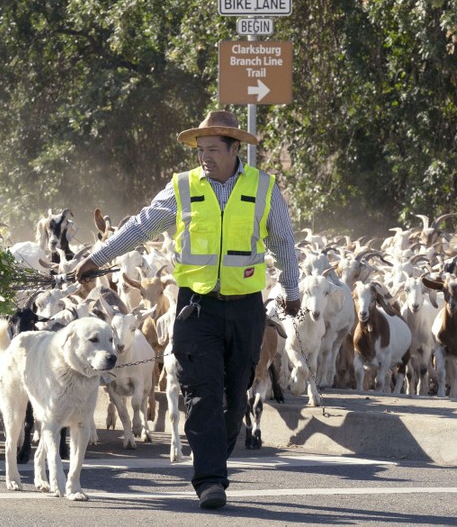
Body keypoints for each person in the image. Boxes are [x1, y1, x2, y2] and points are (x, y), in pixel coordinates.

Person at [73, 109, 300, 510]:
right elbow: (142, 226)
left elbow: (283, 241)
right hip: (196, 308)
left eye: (213, 149)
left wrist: (293, 288)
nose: (205, 157)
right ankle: (211, 479)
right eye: (200, 150)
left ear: (235, 149)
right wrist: (97, 257)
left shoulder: (264, 188)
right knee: (202, 391)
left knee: (235, 393)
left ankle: (218, 447)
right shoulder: (182, 187)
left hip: (246, 307)